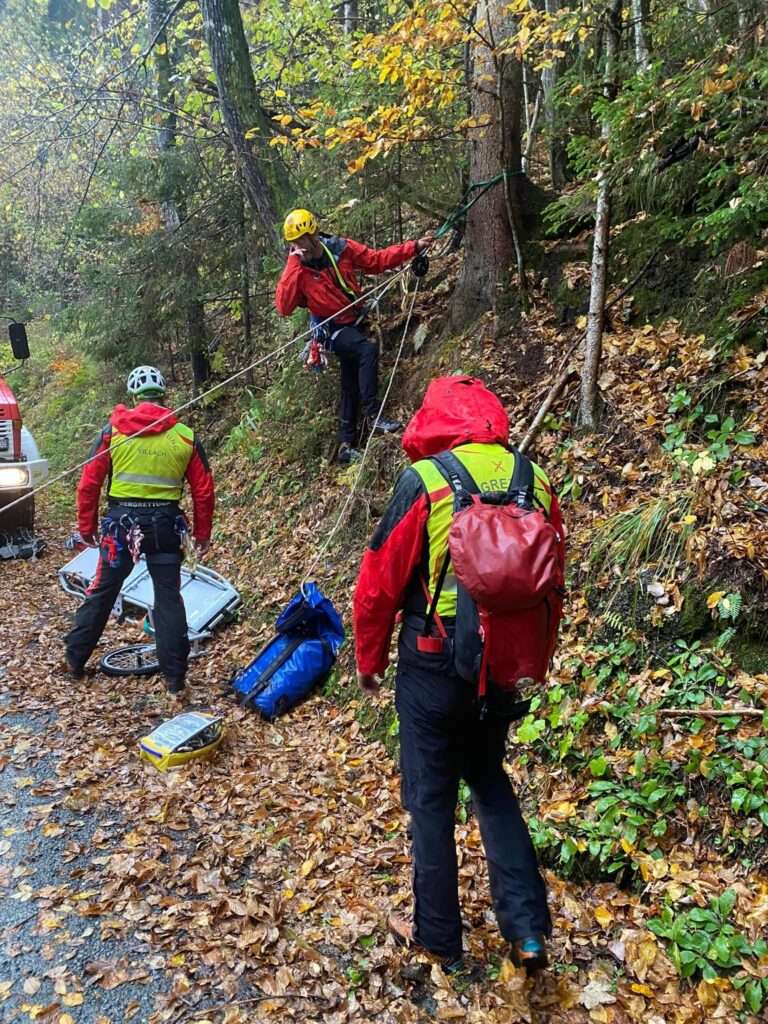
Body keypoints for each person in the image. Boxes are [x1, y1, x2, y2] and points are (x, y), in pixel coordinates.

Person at [352, 375, 565, 972]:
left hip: (432, 664)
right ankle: (526, 929)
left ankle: (440, 941)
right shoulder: (534, 478)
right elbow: (554, 580)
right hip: (498, 667)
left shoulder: (425, 480)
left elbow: (378, 583)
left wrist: (370, 660)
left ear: (435, 420)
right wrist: (531, 660)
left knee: (431, 799)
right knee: (490, 781)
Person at [64, 365, 215, 694]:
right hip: (165, 528)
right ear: (164, 396)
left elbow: (89, 483)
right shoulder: (184, 436)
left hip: (122, 528)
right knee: (168, 599)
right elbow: (204, 490)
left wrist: (86, 527)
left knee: (103, 590)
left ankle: (74, 659)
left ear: (134, 397)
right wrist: (202, 534)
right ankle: (175, 680)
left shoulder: (113, 432)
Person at [274, 208, 432, 464]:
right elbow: (284, 306)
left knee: (349, 380)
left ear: (314, 234)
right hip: (331, 329)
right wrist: (293, 262)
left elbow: (376, 260)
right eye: (295, 242)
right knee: (366, 351)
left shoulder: (340, 249)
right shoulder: (298, 271)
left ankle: (346, 444)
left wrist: (413, 247)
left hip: (354, 321)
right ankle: (373, 416)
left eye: (304, 238)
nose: (301, 245)